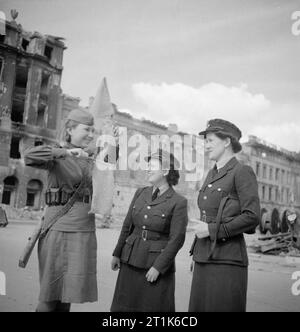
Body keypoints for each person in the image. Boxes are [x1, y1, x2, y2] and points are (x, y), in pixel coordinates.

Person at [24, 108, 117, 312]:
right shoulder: (58, 153)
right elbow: (29, 156)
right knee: (50, 297)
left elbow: (106, 175)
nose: (91, 134)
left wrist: (111, 144)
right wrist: (65, 152)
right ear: (70, 129)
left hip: (84, 230)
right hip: (60, 228)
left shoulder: (91, 157)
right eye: (87, 129)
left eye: (94, 131)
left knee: (68, 296)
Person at [188, 119, 260, 312]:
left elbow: (252, 217)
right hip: (204, 256)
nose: (206, 145)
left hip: (227, 260)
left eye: (210, 140)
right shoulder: (211, 174)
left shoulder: (242, 171)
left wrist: (211, 230)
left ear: (227, 141)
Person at [110, 149, 188, 312]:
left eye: (152, 165)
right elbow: (127, 225)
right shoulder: (141, 192)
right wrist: (117, 253)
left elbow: (177, 239)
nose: (148, 169)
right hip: (130, 259)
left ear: (165, 171)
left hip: (154, 266)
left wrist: (158, 267)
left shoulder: (178, 202)